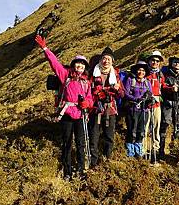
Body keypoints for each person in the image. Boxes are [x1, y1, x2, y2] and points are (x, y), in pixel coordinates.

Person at [35, 35, 93, 179]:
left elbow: (90, 98)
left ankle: (80, 169)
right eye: (77, 64)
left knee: (80, 143)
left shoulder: (87, 82)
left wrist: (87, 103)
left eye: (82, 64)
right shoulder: (65, 75)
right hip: (67, 114)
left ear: (85, 67)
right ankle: (67, 171)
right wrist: (45, 48)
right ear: (73, 65)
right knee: (66, 142)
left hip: (80, 115)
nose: (79, 66)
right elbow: (54, 63)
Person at [89, 47, 124, 166]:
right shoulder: (93, 73)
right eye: (104, 58)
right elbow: (89, 89)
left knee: (109, 137)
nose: (106, 61)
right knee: (94, 137)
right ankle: (93, 162)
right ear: (100, 60)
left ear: (112, 61)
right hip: (95, 109)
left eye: (109, 59)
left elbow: (121, 94)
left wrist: (117, 90)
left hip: (110, 110)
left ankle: (106, 161)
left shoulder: (116, 75)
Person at [159, 54, 179, 160]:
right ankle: (161, 151)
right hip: (167, 103)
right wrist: (170, 89)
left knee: (178, 127)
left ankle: (174, 151)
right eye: (175, 62)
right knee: (164, 125)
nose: (177, 64)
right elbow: (160, 89)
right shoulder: (164, 74)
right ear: (171, 63)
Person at [123, 61, 153, 158]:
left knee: (141, 131)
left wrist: (150, 101)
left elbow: (150, 94)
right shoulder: (131, 80)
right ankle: (130, 152)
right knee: (132, 130)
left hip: (144, 111)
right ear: (136, 71)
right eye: (139, 70)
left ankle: (138, 151)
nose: (141, 72)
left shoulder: (147, 83)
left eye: (143, 70)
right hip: (132, 109)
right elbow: (126, 93)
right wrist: (136, 99)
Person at [144, 50, 164, 164]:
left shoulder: (160, 75)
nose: (155, 63)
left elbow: (163, 87)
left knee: (156, 128)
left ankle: (154, 151)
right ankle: (143, 151)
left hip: (157, 105)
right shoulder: (145, 73)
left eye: (157, 61)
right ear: (149, 61)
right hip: (146, 105)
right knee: (145, 128)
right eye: (153, 60)